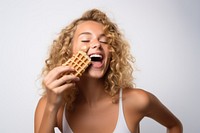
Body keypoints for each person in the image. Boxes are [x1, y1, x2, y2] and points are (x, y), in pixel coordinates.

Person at [34, 9, 183, 133]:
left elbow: (175, 126)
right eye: (86, 40)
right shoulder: (49, 105)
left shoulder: (137, 100)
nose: (97, 44)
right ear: (68, 52)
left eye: (104, 41)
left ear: (112, 54)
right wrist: (52, 107)